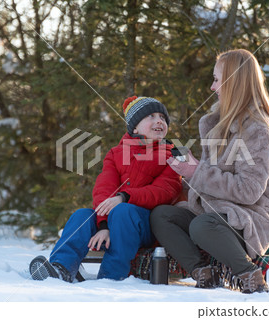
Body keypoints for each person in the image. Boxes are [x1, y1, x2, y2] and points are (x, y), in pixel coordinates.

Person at [150, 49, 269, 294]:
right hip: (212, 212)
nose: (213, 87)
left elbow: (249, 191)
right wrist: (184, 172)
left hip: (247, 219)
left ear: (234, 83)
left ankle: (249, 275)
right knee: (162, 215)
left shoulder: (259, 130)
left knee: (202, 226)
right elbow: (210, 175)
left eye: (216, 79)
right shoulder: (217, 125)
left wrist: (197, 171)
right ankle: (202, 272)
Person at [29, 96, 182, 282]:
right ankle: (61, 267)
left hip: (145, 226)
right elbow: (104, 188)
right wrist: (103, 225)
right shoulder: (116, 154)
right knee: (82, 215)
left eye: (162, 117)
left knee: (124, 211)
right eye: (151, 116)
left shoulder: (172, 155)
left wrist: (124, 197)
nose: (159, 120)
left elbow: (163, 192)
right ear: (134, 127)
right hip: (111, 221)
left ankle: (111, 276)